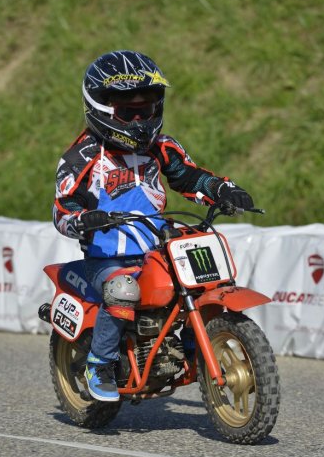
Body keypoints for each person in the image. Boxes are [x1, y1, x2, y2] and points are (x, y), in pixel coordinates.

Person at [53, 50, 254, 403]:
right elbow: (62, 208)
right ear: (101, 108)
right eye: (127, 111)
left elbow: (188, 176)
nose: (138, 119)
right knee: (122, 290)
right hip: (107, 260)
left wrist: (223, 190)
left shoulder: (160, 147)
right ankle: (99, 364)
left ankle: (194, 346)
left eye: (144, 109)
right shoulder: (81, 157)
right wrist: (83, 219)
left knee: (204, 273)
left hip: (156, 248)